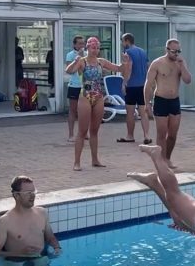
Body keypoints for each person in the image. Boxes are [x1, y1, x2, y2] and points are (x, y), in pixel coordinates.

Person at [65, 37, 131, 171]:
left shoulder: (101, 62)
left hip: (98, 97)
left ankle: (95, 159)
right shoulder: (82, 62)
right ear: (88, 48)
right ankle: (76, 162)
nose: (96, 50)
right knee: (82, 132)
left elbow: (118, 69)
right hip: (85, 96)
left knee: (94, 131)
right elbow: (69, 71)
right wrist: (75, 61)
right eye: (93, 48)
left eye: (98, 48)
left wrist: (125, 62)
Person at [0, 175, 62, 263]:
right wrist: (21, 253)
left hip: (40, 260)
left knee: (41, 264)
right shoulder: (5, 221)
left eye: (34, 192)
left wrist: (57, 247)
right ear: (17, 195)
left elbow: (50, 237)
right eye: (28, 193)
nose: (33, 196)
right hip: (17, 263)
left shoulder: (42, 213)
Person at [144, 39, 192, 168]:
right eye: (174, 51)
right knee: (161, 133)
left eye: (178, 51)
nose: (176, 54)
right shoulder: (157, 63)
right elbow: (148, 85)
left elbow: (188, 80)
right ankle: (161, 162)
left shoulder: (180, 63)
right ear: (167, 50)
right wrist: (147, 104)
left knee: (172, 135)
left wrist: (182, 66)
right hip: (160, 100)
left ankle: (167, 158)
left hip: (174, 101)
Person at [119, 33, 151, 144]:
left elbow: (129, 68)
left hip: (132, 86)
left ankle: (130, 136)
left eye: (122, 41)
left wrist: (124, 83)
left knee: (130, 112)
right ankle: (147, 135)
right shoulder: (142, 51)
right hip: (143, 85)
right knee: (143, 112)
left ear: (127, 41)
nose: (122, 43)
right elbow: (148, 66)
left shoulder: (127, 53)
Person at [64, 35, 85, 143]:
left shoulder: (87, 55)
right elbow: (70, 70)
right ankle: (71, 134)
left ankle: (83, 132)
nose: (82, 45)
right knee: (73, 110)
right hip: (74, 85)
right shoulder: (70, 55)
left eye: (83, 43)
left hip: (85, 86)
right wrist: (78, 59)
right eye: (80, 43)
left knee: (85, 111)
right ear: (74, 45)